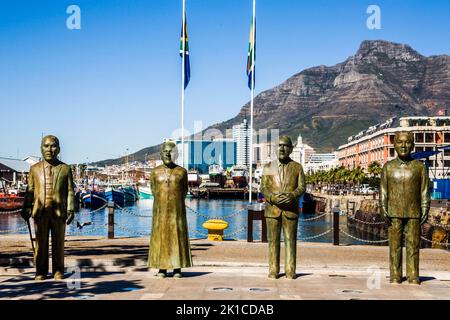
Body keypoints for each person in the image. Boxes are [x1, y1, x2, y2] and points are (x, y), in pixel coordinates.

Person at [21, 135, 75, 280]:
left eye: (53, 146)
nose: (49, 149)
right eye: (46, 146)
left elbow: (70, 190)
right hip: (40, 212)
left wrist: (71, 209)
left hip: (59, 213)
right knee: (40, 243)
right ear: (41, 148)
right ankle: (41, 271)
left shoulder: (65, 168)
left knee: (58, 243)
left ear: (58, 149)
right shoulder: (34, 169)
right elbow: (30, 190)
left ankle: (58, 271)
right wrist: (26, 207)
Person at [380, 131, 430, 284]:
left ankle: (413, 274)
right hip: (394, 212)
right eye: (400, 142)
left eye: (407, 142)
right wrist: (383, 207)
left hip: (414, 212)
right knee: (394, 246)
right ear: (394, 145)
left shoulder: (419, 167)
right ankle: (395, 274)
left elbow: (424, 191)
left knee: (413, 245)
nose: (403, 145)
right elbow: (383, 191)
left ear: (412, 145)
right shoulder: (388, 167)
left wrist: (425, 208)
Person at [260, 135, 306, 279]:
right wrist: (272, 197)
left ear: (291, 149)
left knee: (290, 241)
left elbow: (302, 187)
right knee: (273, 242)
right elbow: (263, 187)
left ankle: (290, 270)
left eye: (285, 146)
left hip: (290, 210)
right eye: (279, 145)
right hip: (272, 209)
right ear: (275, 148)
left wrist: (293, 196)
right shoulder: (268, 167)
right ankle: (273, 270)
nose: (282, 148)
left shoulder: (297, 167)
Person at [148, 141, 192, 278]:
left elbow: (185, 190)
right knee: (160, 238)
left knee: (177, 238)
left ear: (176, 155)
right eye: (165, 151)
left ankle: (177, 268)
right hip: (160, 212)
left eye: (171, 151)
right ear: (161, 154)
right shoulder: (155, 172)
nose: (168, 153)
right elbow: (154, 190)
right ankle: (162, 268)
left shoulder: (182, 172)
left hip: (177, 211)